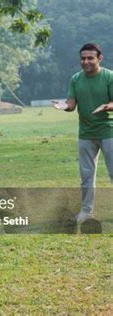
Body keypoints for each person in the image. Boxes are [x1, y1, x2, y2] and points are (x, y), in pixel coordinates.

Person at [53, 43, 113, 223]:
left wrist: (107, 106)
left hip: (108, 132)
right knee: (86, 176)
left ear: (99, 59)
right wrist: (64, 106)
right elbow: (71, 103)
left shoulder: (109, 76)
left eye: (90, 58)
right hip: (86, 134)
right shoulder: (76, 79)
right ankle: (86, 212)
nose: (85, 61)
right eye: (83, 58)